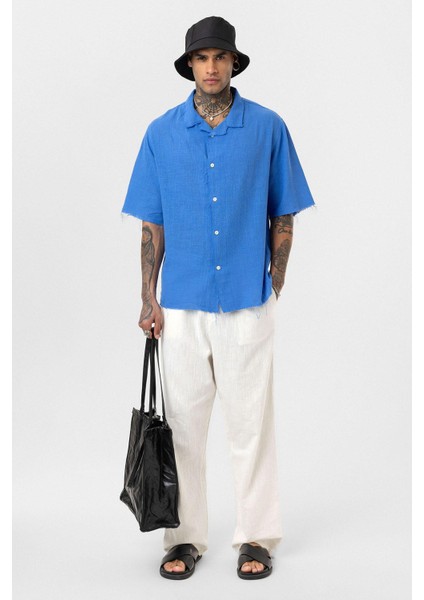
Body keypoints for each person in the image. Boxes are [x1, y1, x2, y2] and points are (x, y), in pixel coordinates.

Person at [121, 15, 315, 580]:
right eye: (201, 58)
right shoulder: (160, 133)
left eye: (220, 57)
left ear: (234, 63)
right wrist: (147, 298)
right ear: (190, 66)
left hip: (247, 301)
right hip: (181, 305)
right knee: (182, 429)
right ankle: (183, 539)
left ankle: (256, 536)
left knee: (252, 426)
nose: (211, 67)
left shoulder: (267, 127)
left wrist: (276, 279)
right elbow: (151, 225)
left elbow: (284, 211)